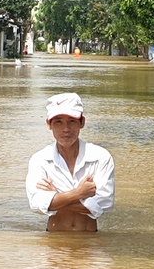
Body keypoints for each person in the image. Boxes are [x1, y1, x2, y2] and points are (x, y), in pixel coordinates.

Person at [25, 93, 115, 232]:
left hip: (90, 241)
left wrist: (56, 197)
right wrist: (79, 193)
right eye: (58, 122)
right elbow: (36, 204)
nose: (65, 129)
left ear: (82, 122)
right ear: (49, 124)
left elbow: (104, 204)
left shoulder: (100, 157)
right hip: (53, 242)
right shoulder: (40, 160)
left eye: (72, 121)